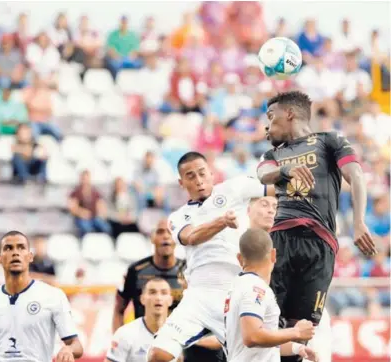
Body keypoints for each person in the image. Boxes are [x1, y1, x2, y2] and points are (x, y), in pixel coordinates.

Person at [257, 91, 376, 362]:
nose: (267, 125)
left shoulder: (329, 141)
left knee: (302, 331)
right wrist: (286, 172)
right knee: (271, 320)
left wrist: (358, 221)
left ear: (289, 114)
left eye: (271, 116)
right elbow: (263, 174)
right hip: (281, 239)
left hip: (320, 244)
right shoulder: (273, 154)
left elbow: (355, 174)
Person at [148, 151, 274, 362]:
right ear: (181, 182)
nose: (198, 180)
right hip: (198, 295)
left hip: (234, 293)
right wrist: (222, 221)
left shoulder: (235, 188)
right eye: (190, 176)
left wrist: (289, 171)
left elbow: (278, 189)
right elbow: (191, 237)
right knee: (157, 354)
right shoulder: (178, 217)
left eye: (202, 173)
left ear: (211, 173)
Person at [0, 230, 83, 361]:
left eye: (21, 248)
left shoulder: (53, 296)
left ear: (30, 256)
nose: (15, 252)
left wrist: (68, 349)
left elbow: (76, 345)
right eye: (8, 248)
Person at [224, 228, 318, 362]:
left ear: (240, 258)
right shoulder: (255, 288)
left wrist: (296, 348)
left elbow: (263, 342)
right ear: (274, 255)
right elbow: (252, 336)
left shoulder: (240, 285)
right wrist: (296, 332)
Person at [112, 219, 184, 333]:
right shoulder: (135, 271)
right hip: (142, 343)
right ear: (152, 238)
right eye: (160, 232)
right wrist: (118, 340)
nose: (166, 236)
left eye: (170, 232)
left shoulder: (188, 270)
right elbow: (119, 310)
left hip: (178, 342)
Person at [106, 278, 173, 362]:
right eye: (152, 292)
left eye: (164, 293)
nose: (158, 297)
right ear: (142, 299)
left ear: (170, 300)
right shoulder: (125, 334)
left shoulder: (180, 335)